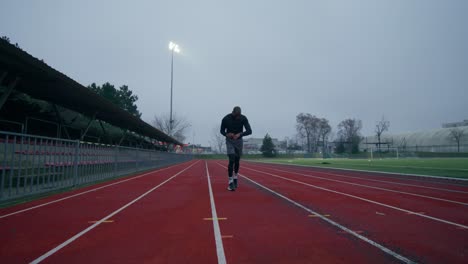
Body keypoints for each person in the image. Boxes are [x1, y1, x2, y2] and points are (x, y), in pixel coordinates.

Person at [220, 106, 252, 191]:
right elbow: (222, 131)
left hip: (238, 141)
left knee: (237, 160)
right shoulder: (225, 119)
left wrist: (240, 134)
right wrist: (227, 134)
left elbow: (249, 131)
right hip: (229, 141)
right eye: (236, 115)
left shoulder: (243, 118)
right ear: (232, 112)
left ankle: (235, 178)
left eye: (239, 115)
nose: (237, 117)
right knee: (232, 159)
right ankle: (230, 182)